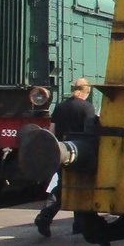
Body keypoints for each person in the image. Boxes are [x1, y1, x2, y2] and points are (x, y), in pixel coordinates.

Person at [34, 78, 97, 237]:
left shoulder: (61, 107)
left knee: (62, 186)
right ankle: (77, 225)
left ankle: (46, 217)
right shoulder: (87, 108)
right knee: (81, 186)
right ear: (86, 91)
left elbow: (52, 129)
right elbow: (90, 132)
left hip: (61, 152)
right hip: (81, 153)